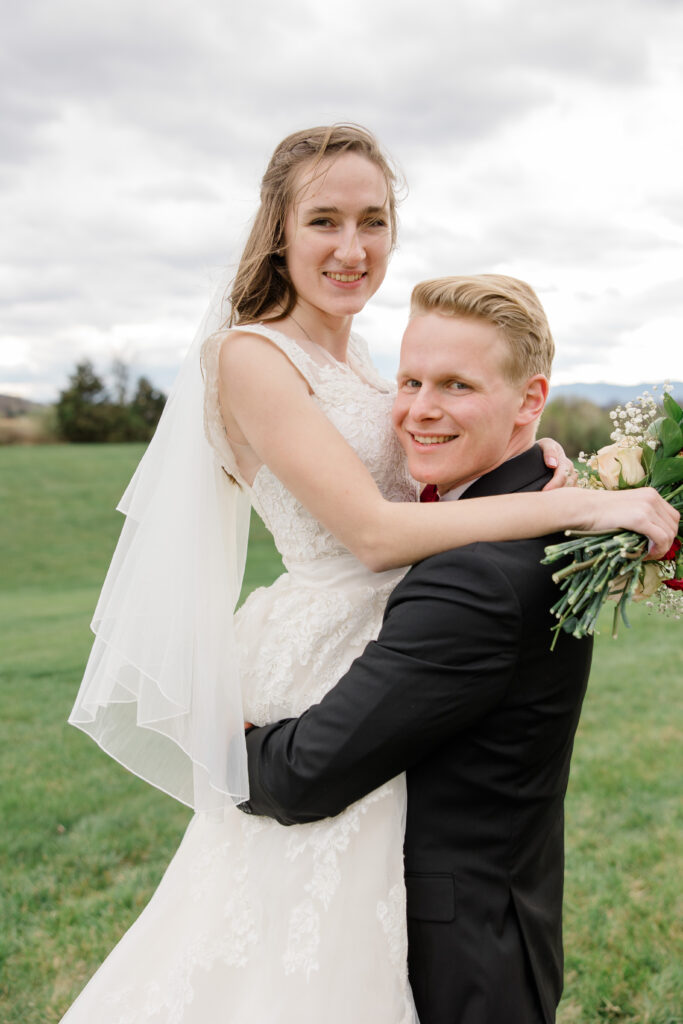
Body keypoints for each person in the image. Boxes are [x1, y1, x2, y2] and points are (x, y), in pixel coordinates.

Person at [62, 126, 677, 1023]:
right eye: (323, 220)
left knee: (369, 910)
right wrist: (576, 505)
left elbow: (436, 473)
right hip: (325, 640)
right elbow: (376, 532)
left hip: (401, 634)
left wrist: (527, 451)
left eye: (373, 221)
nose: (352, 249)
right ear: (277, 229)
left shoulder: (358, 356)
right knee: (290, 915)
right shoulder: (248, 355)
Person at [237, 273, 678, 1023]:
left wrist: (200, 729)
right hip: (498, 922)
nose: (418, 410)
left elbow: (303, 774)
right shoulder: (531, 518)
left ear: (529, 400)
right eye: (408, 380)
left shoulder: (474, 579)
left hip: (449, 965)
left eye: (456, 385)